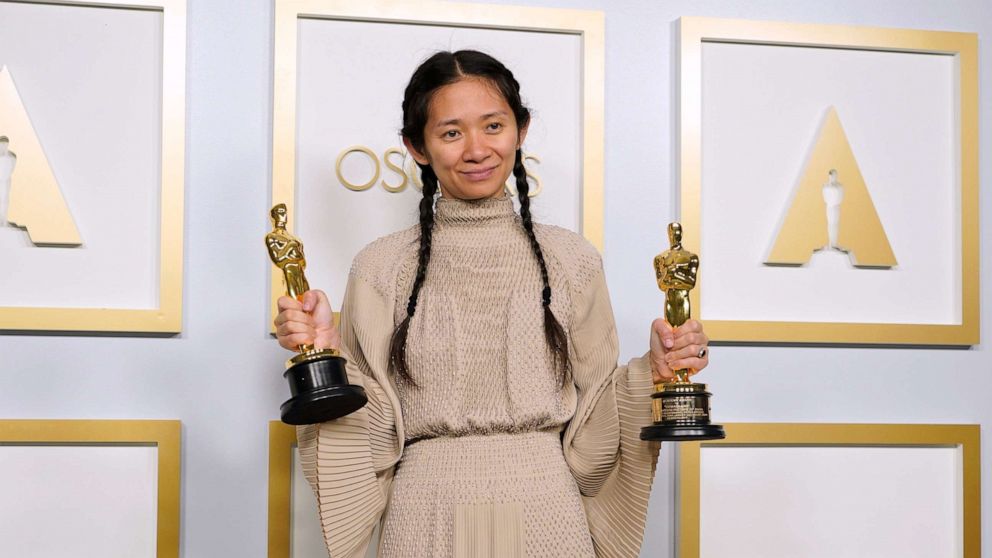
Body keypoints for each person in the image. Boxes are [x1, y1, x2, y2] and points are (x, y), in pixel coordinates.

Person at [274, 50, 710, 558]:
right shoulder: (379, 267)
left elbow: (596, 422)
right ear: (417, 147)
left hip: (549, 513)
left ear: (520, 130)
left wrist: (655, 372)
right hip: (425, 516)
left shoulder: (572, 259)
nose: (477, 149)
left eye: (493, 125)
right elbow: (368, 433)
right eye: (451, 132)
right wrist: (326, 355)